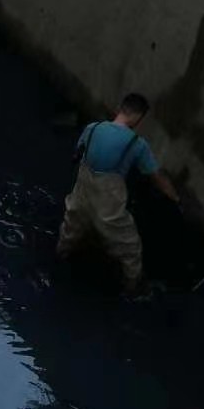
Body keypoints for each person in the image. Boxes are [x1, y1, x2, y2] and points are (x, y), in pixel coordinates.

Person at [56, 92, 179, 293]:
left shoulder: (92, 128)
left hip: (81, 195)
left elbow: (77, 154)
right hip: (108, 207)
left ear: (121, 108)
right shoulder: (137, 144)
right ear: (139, 117)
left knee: (70, 229)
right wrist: (175, 197)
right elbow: (156, 176)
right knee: (130, 247)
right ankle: (132, 289)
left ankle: (59, 261)